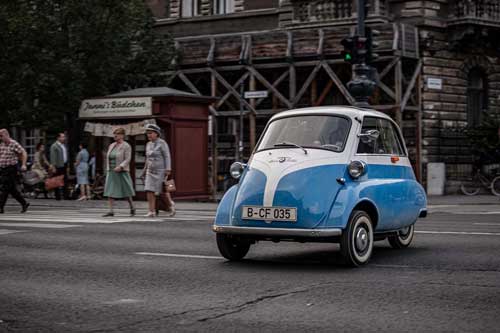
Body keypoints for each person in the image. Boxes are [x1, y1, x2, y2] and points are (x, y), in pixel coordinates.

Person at [141, 124, 174, 217]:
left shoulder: (162, 143)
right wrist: (144, 170)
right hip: (150, 171)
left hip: (160, 171)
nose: (149, 135)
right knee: (149, 190)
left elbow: (167, 156)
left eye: (151, 133)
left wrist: (168, 169)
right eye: (147, 133)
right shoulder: (148, 144)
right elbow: (147, 158)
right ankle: (151, 211)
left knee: (162, 191)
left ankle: (171, 206)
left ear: (157, 133)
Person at [102, 128, 135, 217]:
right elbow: (108, 157)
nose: (115, 136)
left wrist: (121, 166)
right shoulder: (112, 145)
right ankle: (111, 210)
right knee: (110, 190)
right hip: (111, 170)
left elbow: (128, 158)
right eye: (114, 134)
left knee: (126, 191)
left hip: (121, 171)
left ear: (122, 135)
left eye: (117, 134)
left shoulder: (126, 146)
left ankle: (132, 207)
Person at [0, 129, 29, 213]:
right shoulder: (2, 145)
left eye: (1, 136)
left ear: (6, 135)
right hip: (3, 169)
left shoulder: (14, 143)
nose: (0, 138)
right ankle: (24, 203)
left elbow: (23, 152)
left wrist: (24, 164)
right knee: (11, 189)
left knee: (5, 187)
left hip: (11, 169)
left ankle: (0, 207)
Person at [50, 133, 69, 200]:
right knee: (57, 181)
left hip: (64, 165)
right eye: (63, 137)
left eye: (64, 137)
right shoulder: (54, 146)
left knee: (65, 180)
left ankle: (66, 195)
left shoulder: (63, 145)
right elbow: (53, 157)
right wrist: (53, 166)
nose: (64, 138)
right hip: (58, 165)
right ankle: (57, 196)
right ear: (58, 138)